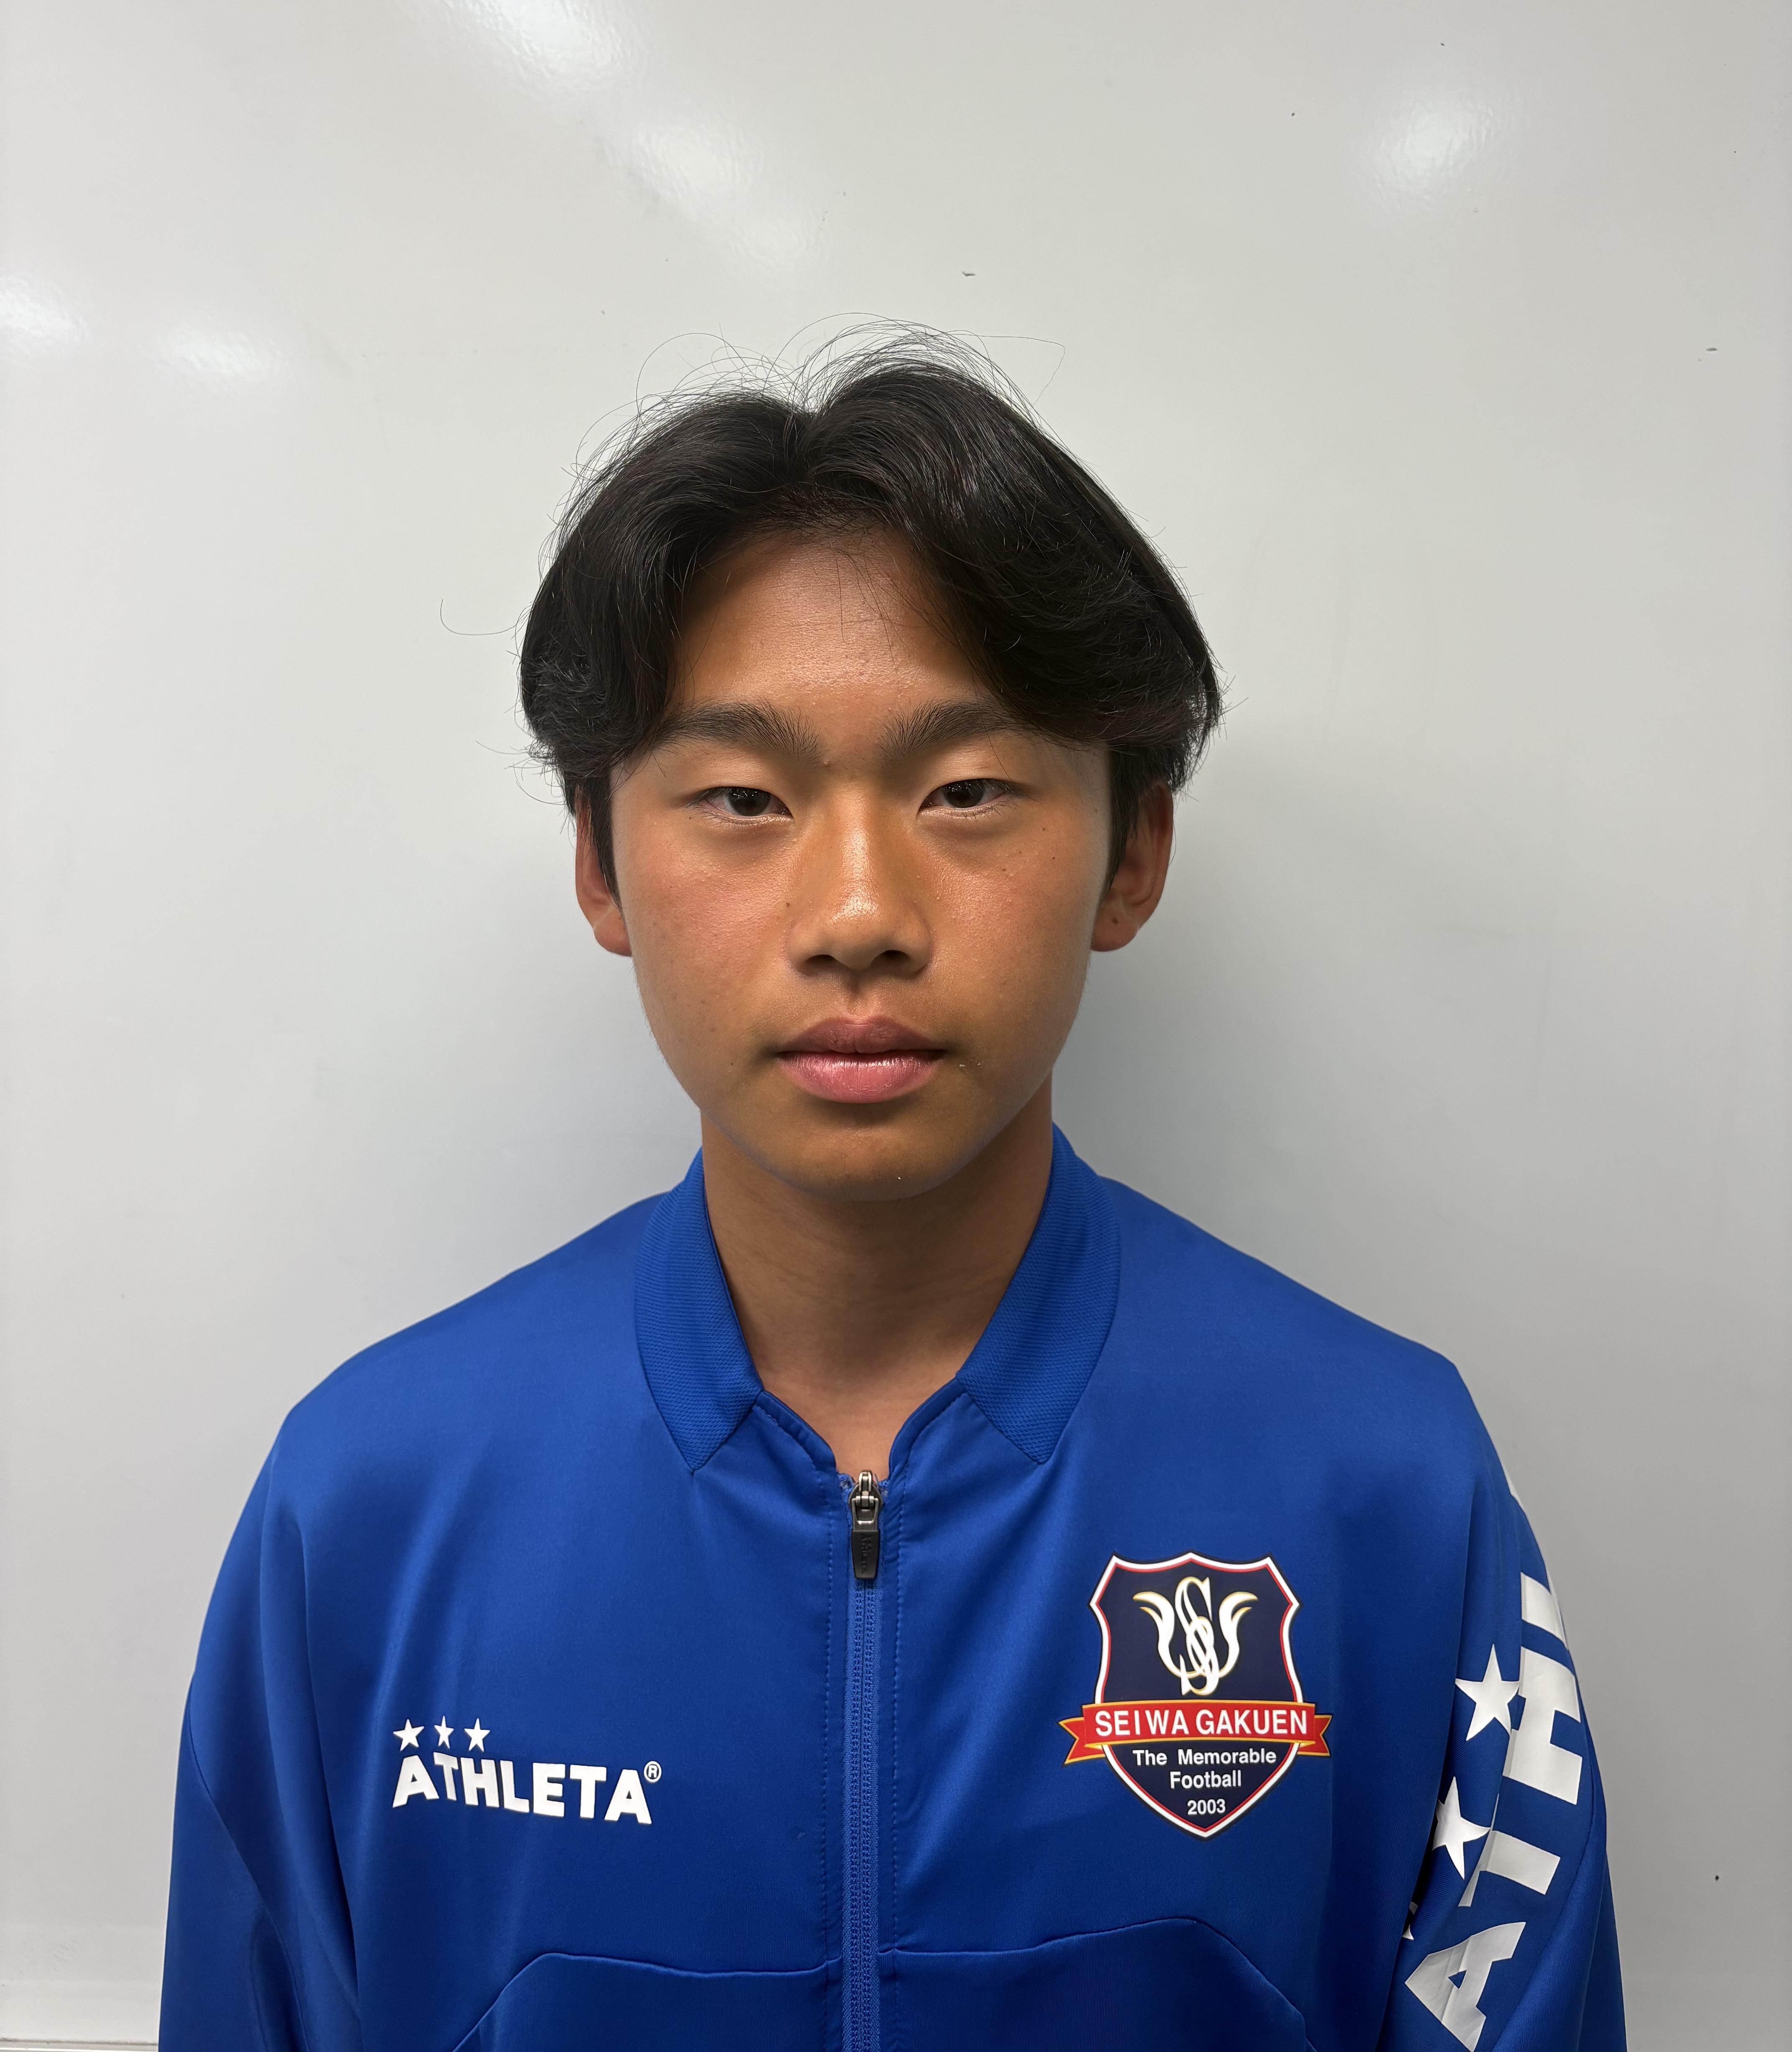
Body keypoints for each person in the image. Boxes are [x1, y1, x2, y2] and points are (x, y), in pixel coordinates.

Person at [159, 342, 1623, 2049]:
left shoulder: (1388, 1485)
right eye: (742, 799)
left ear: (1133, 854)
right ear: (599, 863)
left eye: (966, 792)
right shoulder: (369, 1508)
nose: (858, 911)